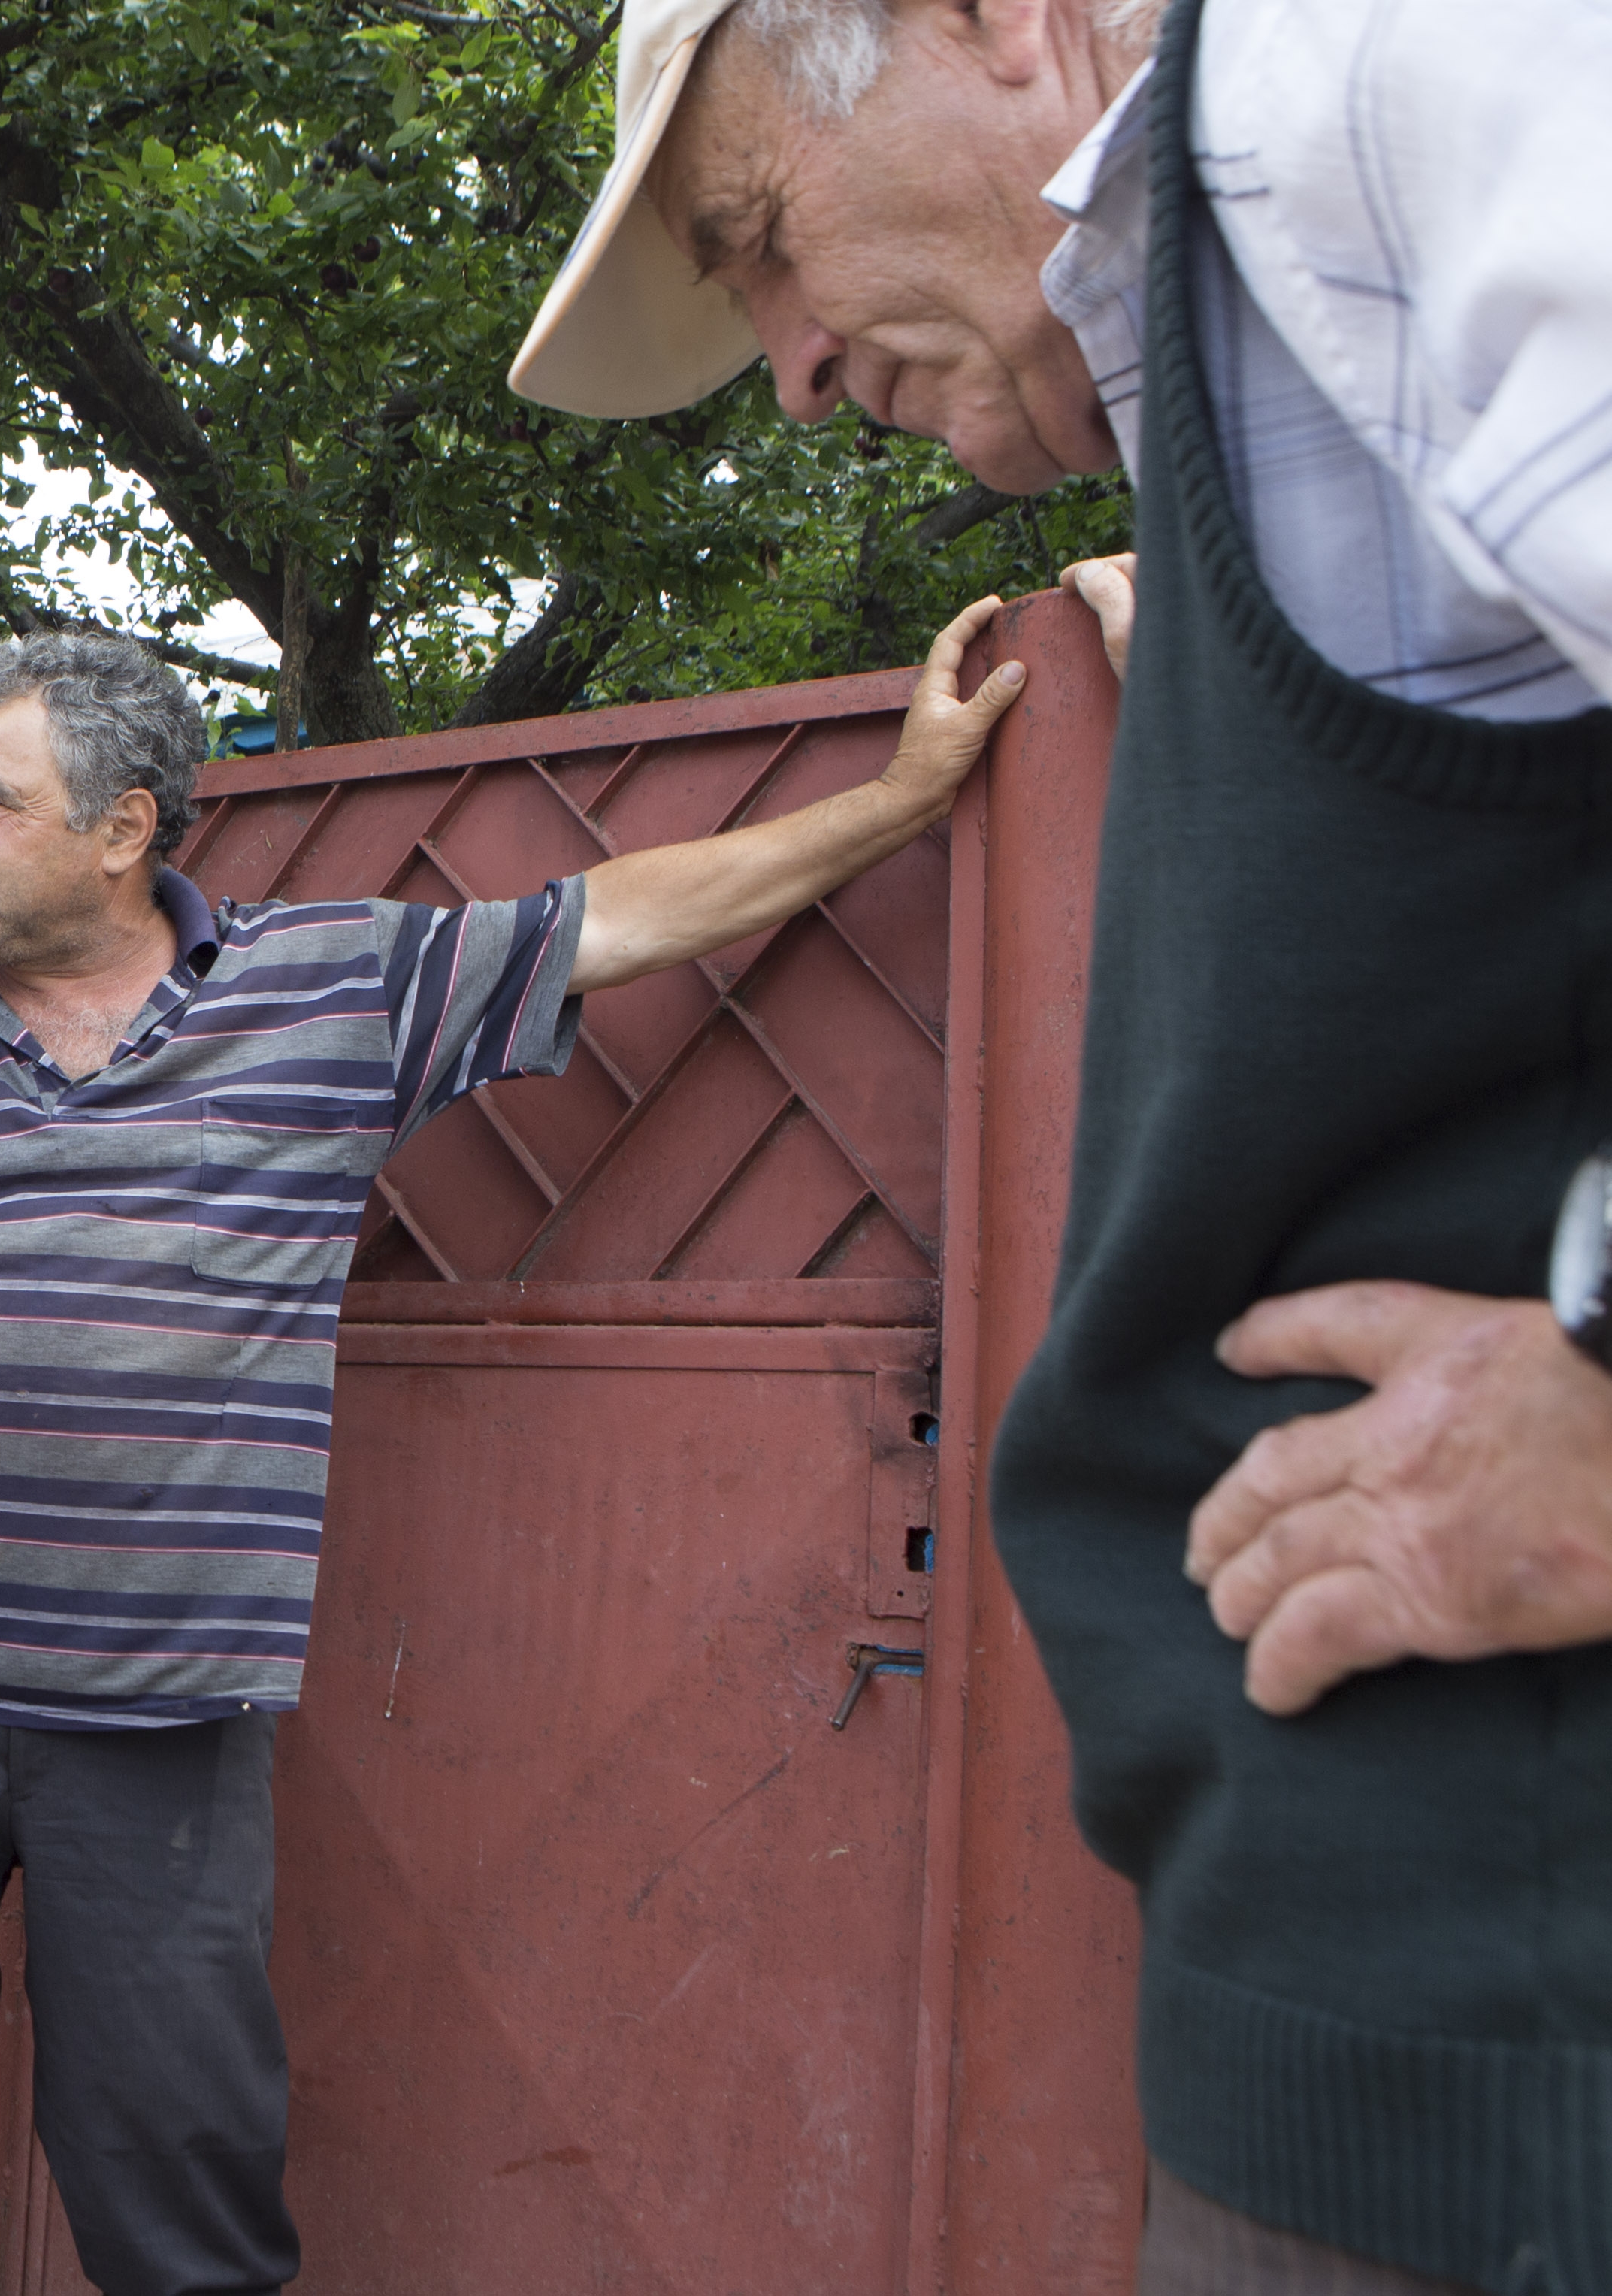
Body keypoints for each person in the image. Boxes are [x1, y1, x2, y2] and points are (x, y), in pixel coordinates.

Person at [0, 617, 1025, 2294]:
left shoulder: (319, 990)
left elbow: (625, 915)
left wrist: (897, 799)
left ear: (125, 829)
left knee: (179, 2175)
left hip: (160, 1720)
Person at [507, 1, 1612, 2288]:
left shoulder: (1384, 75)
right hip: (1384, 2044)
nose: (794, 373)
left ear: (988, 15)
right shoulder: (1254, 326)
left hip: (1517, 2063)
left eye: (758, 247)